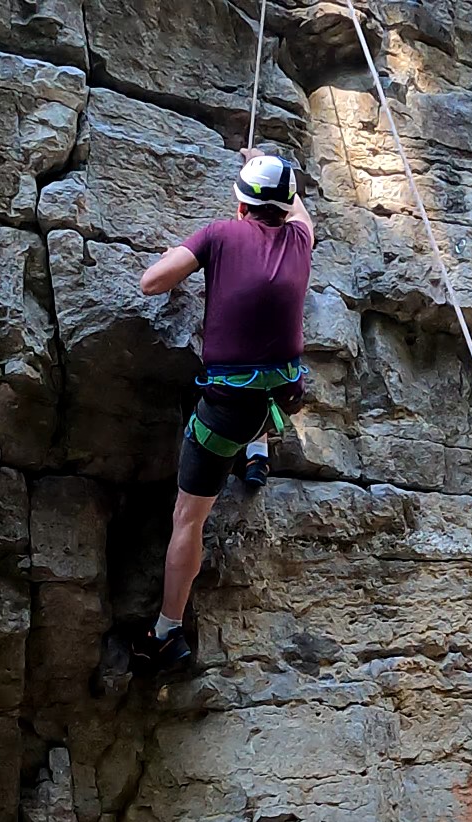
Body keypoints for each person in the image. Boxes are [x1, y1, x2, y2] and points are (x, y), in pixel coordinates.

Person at [129, 147, 314, 670]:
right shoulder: (302, 240)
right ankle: (257, 454)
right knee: (255, 390)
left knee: (187, 518)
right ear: (286, 204)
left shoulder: (218, 235)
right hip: (278, 401)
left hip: (227, 412)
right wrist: (273, 167)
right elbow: (301, 210)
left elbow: (152, 282)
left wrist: (191, 251)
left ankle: (166, 631)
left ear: (240, 206)